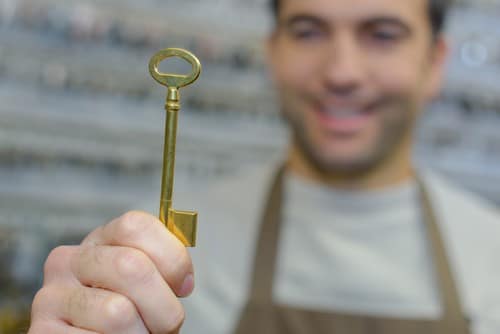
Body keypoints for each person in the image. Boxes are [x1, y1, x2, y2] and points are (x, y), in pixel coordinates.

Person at [28, 0, 500, 333]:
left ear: (435, 62)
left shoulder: (491, 257)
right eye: (309, 31)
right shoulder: (155, 256)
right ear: (273, 51)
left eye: (382, 35)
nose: (342, 72)